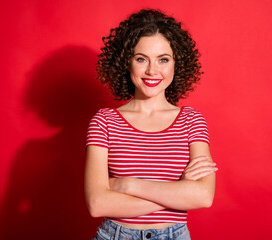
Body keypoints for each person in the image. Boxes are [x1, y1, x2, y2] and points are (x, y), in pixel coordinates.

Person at [85, 9, 217, 240]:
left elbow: (203, 196)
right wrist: (177, 193)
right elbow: (97, 204)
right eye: (141, 59)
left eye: (163, 59)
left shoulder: (192, 120)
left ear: (177, 64)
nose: (152, 70)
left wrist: (127, 185)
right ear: (127, 62)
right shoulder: (104, 121)